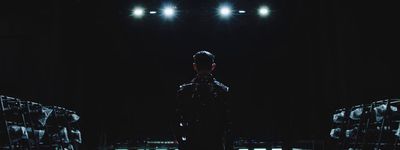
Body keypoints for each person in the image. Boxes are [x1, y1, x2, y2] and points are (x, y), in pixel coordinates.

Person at [175, 51, 233, 150]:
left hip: (191, 145)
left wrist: (182, 143)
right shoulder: (223, 91)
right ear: (213, 66)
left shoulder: (184, 91)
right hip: (216, 144)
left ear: (194, 66)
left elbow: (177, 121)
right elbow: (229, 123)